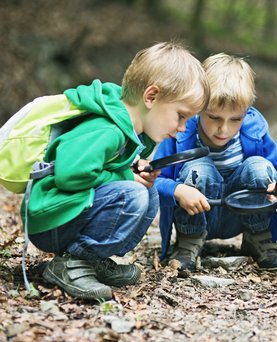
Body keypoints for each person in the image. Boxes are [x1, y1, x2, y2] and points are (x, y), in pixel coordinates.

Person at [25, 42, 210, 301]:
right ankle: (71, 263)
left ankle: (91, 259)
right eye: (181, 116)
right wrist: (125, 176)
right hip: (52, 220)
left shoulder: (127, 132)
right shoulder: (107, 129)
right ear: (151, 96)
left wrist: (131, 168)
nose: (182, 128)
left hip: (68, 214)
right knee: (132, 194)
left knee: (148, 191)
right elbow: (70, 175)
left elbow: (105, 169)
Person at [155, 53, 277, 271]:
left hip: (240, 214)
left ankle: (258, 236)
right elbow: (156, 181)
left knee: (259, 166)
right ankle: (189, 241)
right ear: (199, 108)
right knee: (199, 167)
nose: (224, 129)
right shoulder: (180, 133)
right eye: (214, 117)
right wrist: (178, 190)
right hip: (197, 213)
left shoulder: (255, 130)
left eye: (235, 119)